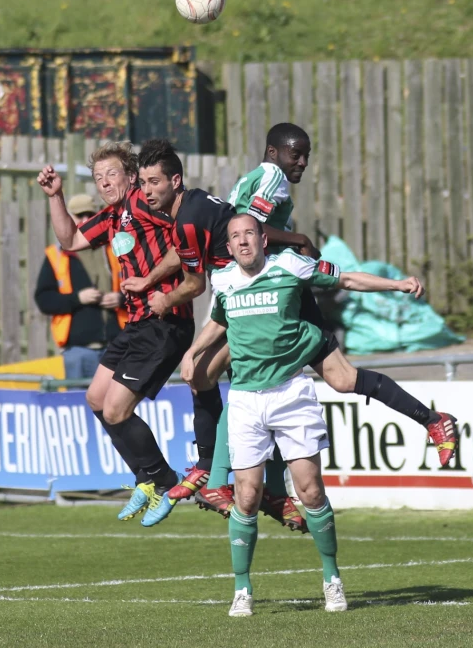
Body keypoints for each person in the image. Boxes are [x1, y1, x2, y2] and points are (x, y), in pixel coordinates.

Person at [180, 213, 447, 615]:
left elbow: (348, 280)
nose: (243, 242)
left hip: (291, 393)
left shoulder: (290, 266)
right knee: (247, 496)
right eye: (235, 237)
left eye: (249, 234)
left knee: (311, 492)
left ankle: (332, 578)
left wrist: (397, 284)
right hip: (246, 400)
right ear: (230, 247)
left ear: (262, 240)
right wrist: (193, 350)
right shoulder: (224, 281)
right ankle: (242, 589)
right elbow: (219, 322)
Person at [192, 123, 459, 520]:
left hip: (269, 292)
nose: (301, 162)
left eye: (306, 155)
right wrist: (299, 239)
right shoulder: (271, 177)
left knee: (226, 377)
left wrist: (397, 285)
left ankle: (227, 482)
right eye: (295, 154)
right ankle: (228, 481)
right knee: (231, 378)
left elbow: (251, 230)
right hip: (263, 291)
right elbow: (252, 227)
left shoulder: (258, 180)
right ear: (273, 153)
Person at [120, 139, 305, 530]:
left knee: (201, 375)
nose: (147, 191)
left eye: (154, 182)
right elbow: (183, 252)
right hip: (248, 296)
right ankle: (266, 490)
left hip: (249, 301)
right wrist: (150, 279)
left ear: (175, 180)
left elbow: (193, 284)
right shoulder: (191, 207)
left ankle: (210, 469)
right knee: (241, 388)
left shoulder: (185, 219)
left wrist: (164, 300)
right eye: (143, 184)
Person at [37, 141, 192, 527]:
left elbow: (184, 243)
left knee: (116, 409)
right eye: (98, 176)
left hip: (164, 320)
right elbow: (70, 242)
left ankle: (165, 480)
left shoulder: (143, 202)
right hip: (136, 324)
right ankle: (145, 478)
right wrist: (55, 196)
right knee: (94, 398)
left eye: (112, 174)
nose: (104, 182)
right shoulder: (112, 216)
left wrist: (153, 281)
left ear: (130, 176)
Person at [34, 193, 128, 380]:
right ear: (69, 217)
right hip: (78, 351)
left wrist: (121, 299)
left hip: (116, 346)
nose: (85, 220)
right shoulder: (57, 255)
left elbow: (140, 288)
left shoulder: (115, 248)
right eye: (79, 215)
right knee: (77, 403)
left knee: (116, 406)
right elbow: (43, 300)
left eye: (90, 215)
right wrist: (78, 298)